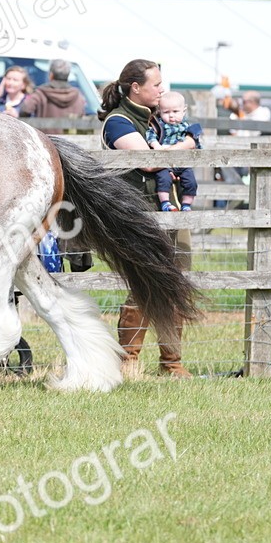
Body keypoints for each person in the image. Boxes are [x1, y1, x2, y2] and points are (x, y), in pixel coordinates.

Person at [98, 58, 194, 378]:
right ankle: (129, 361)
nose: (161, 90)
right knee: (143, 286)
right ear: (136, 88)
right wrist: (187, 146)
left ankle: (171, 362)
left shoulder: (155, 122)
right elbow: (149, 162)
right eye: (156, 84)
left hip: (170, 210)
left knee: (176, 282)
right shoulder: (118, 122)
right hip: (138, 215)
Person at [147, 91, 202, 212]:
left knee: (191, 182)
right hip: (164, 164)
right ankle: (165, 203)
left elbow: (196, 142)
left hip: (182, 163)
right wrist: (156, 145)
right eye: (166, 112)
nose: (171, 116)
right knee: (163, 180)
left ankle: (186, 205)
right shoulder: (159, 126)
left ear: (184, 110)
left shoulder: (188, 127)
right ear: (160, 112)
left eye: (175, 111)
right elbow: (150, 136)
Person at [17, 58, 87, 132]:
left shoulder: (40, 93)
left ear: (51, 75)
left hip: (46, 141)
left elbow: (24, 110)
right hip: (69, 141)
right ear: (68, 75)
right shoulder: (78, 96)